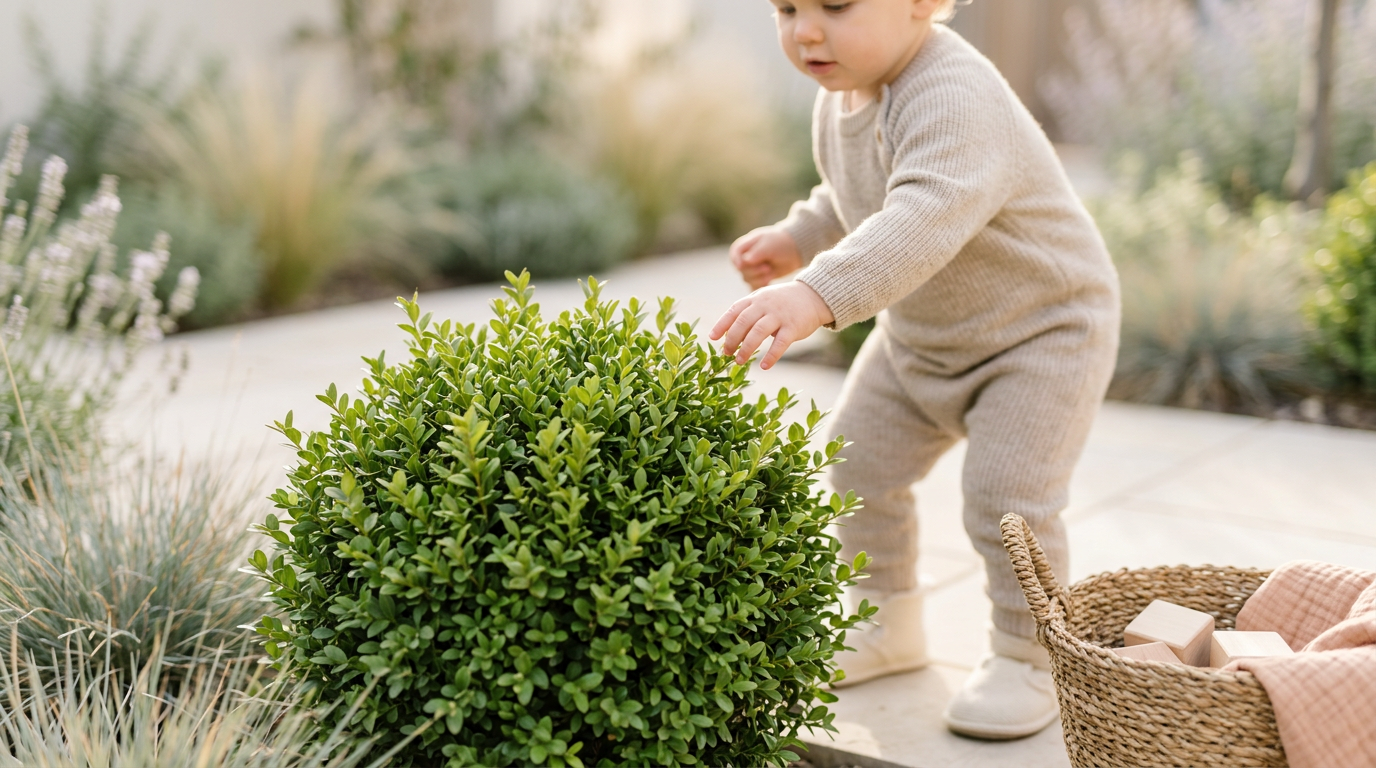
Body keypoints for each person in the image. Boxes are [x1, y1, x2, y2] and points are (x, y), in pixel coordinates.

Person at [710, 0, 1120, 740]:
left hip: (1041, 333)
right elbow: (858, 192)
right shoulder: (842, 92)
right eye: (787, 7)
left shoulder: (953, 92)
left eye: (835, 5)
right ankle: (886, 618)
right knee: (858, 465)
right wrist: (801, 233)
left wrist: (816, 292)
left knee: (1007, 495)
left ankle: (1033, 653)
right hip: (926, 337)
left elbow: (924, 209)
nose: (805, 29)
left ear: (923, 4)